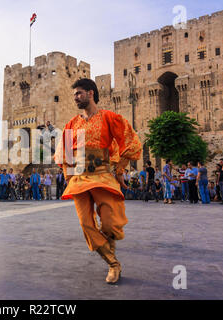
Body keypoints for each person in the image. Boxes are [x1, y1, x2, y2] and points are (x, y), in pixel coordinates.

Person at [54, 78, 141, 284]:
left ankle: (109, 250)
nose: (75, 97)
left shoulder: (109, 118)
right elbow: (64, 154)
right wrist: (69, 178)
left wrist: (120, 168)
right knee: (86, 223)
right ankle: (113, 264)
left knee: (110, 223)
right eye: (74, 94)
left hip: (102, 175)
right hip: (80, 178)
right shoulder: (71, 124)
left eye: (79, 93)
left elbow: (130, 141)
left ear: (91, 93)